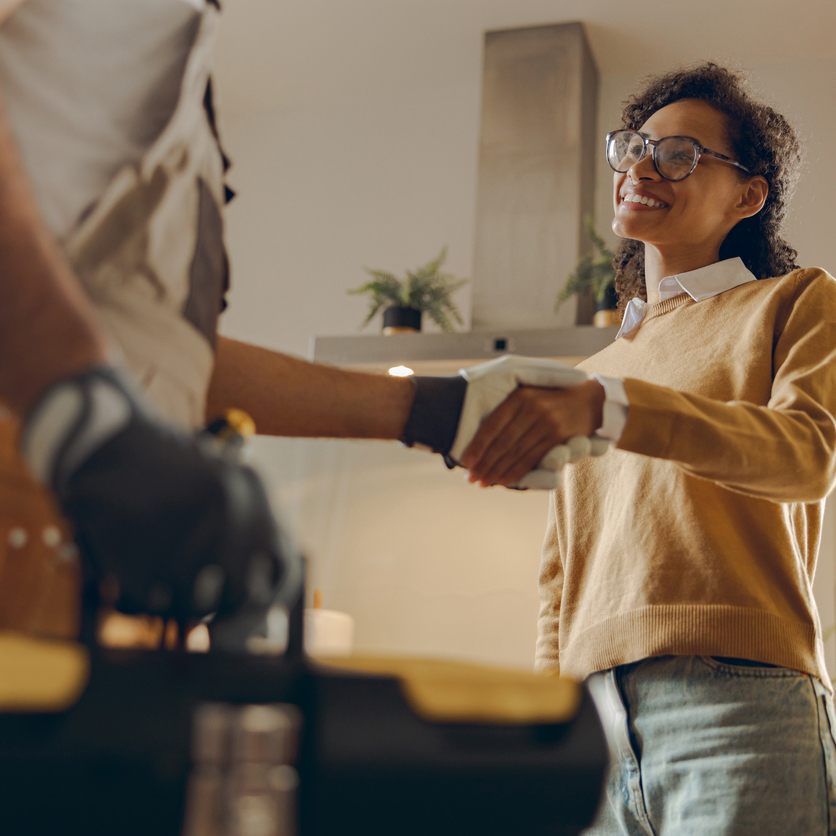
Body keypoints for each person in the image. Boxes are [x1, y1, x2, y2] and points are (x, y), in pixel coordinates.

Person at [0, 0, 593, 641]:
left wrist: (433, 410)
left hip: (85, 586)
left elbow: (150, 351)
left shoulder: (168, 65)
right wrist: (92, 426)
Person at [463, 62, 836, 833]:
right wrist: (547, 721)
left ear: (749, 195)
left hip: (740, 704)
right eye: (634, 146)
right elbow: (560, 573)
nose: (641, 166)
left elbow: (805, 457)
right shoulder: (594, 372)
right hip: (591, 720)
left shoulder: (795, 302)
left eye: (678, 155)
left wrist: (613, 408)